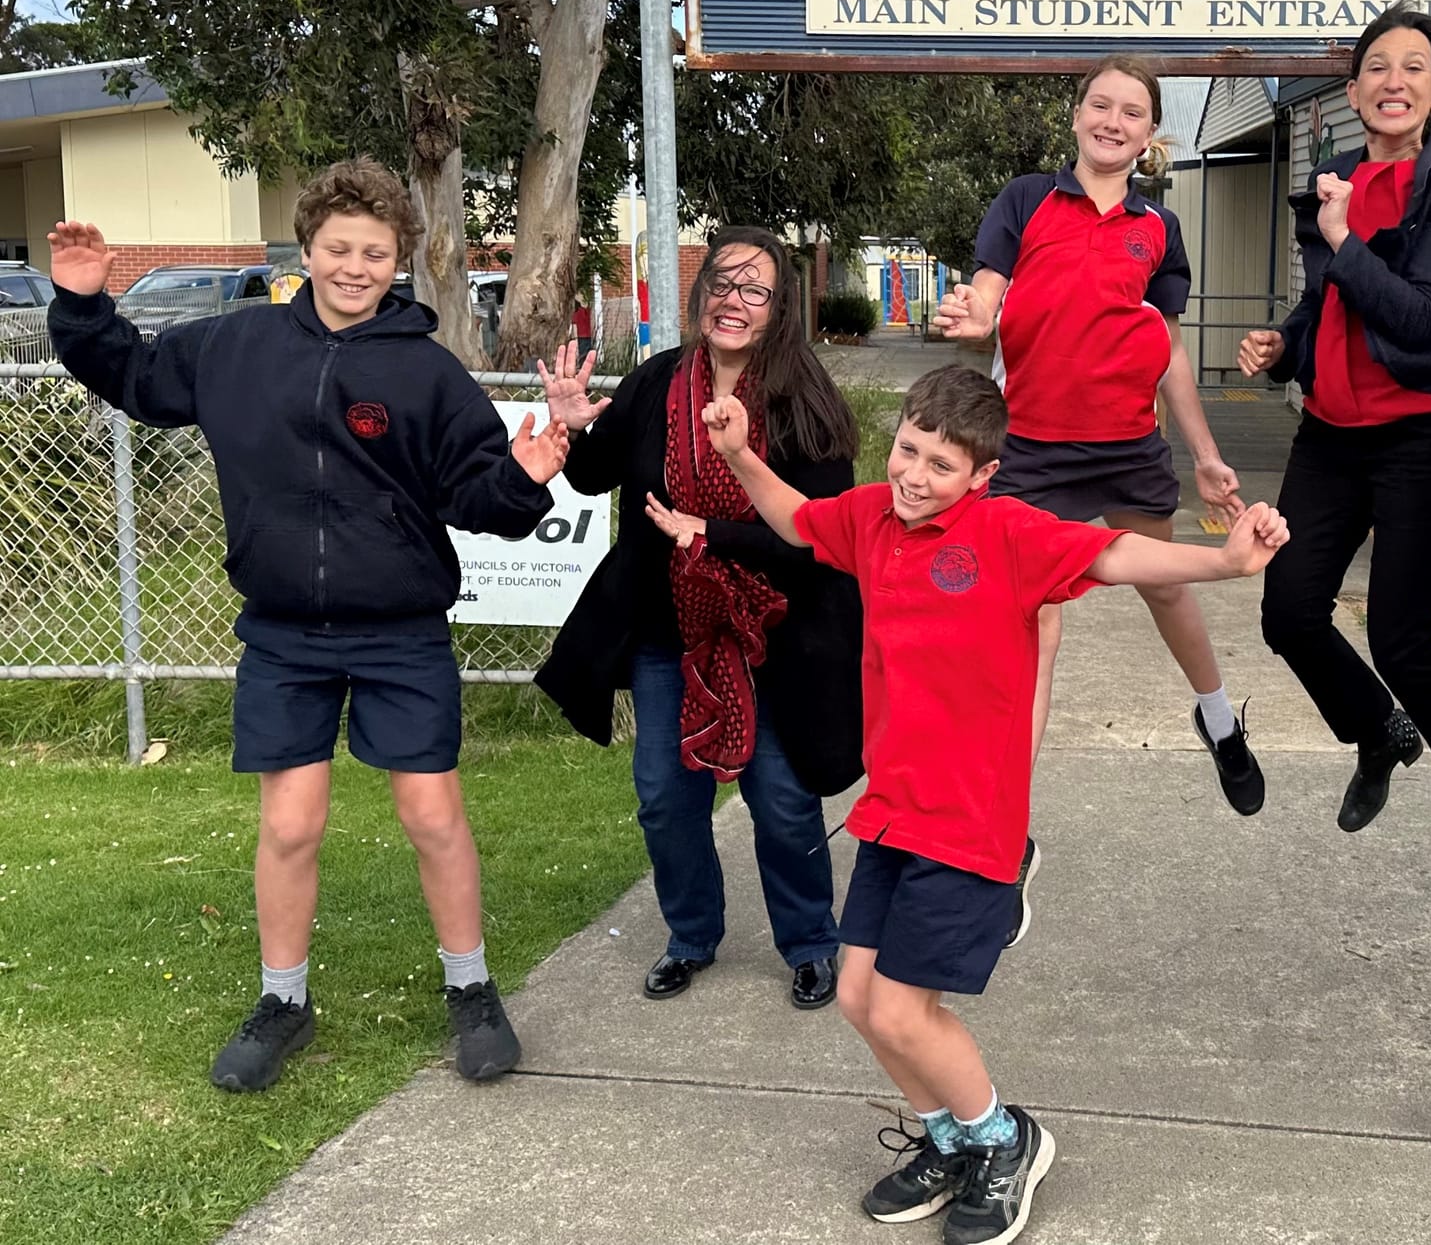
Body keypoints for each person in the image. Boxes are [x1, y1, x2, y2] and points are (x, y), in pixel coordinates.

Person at [703, 363, 1288, 1245]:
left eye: (941, 465)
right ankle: (950, 1140)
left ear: (983, 474)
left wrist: (1226, 561)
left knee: (902, 1009)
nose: (914, 475)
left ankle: (1005, 1138)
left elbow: (1115, 554)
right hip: (893, 808)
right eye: (908, 449)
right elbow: (796, 517)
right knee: (859, 997)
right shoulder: (871, 517)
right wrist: (741, 455)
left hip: (969, 819)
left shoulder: (1007, 532)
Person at [45, 159, 570, 1092]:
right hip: (284, 633)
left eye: (375, 252)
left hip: (402, 630)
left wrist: (524, 478)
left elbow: (478, 496)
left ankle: (472, 987)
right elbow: (134, 374)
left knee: (433, 813)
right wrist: (84, 304)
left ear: (398, 260)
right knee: (291, 824)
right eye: (338, 248)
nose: (355, 266)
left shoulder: (426, 371)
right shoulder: (237, 344)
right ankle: (283, 1001)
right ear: (307, 250)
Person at [935, 55, 1263, 940]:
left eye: (1132, 111)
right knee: (1035, 626)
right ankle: (1007, 836)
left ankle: (1219, 721)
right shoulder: (1026, 200)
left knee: (1167, 586)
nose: (1113, 121)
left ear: (1150, 132)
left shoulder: (1159, 227)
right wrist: (977, 314)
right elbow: (989, 294)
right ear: (1077, 114)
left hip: (1126, 447)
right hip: (1032, 451)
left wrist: (1205, 455)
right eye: (1100, 104)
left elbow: (1167, 350)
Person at [535, 228, 864, 1011]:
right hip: (670, 631)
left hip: (774, 635)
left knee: (781, 799)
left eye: (755, 289)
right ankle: (690, 934)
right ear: (700, 291)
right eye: (721, 282)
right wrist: (572, 424)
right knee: (663, 794)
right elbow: (594, 475)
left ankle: (810, 941)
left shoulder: (805, 398)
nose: (733, 301)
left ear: (780, 307)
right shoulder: (659, 381)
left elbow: (820, 535)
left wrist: (711, 532)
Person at [1238, 6, 1431, 913]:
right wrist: (1284, 342)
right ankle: (1376, 730)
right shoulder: (1334, 180)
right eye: (1377, 67)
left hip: (1422, 433)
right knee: (1288, 610)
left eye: (1414, 67)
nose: (1395, 80)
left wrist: (1346, 238)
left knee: (1401, 636)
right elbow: (1327, 302)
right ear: (1353, 90)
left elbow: (1423, 314)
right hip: (1330, 431)